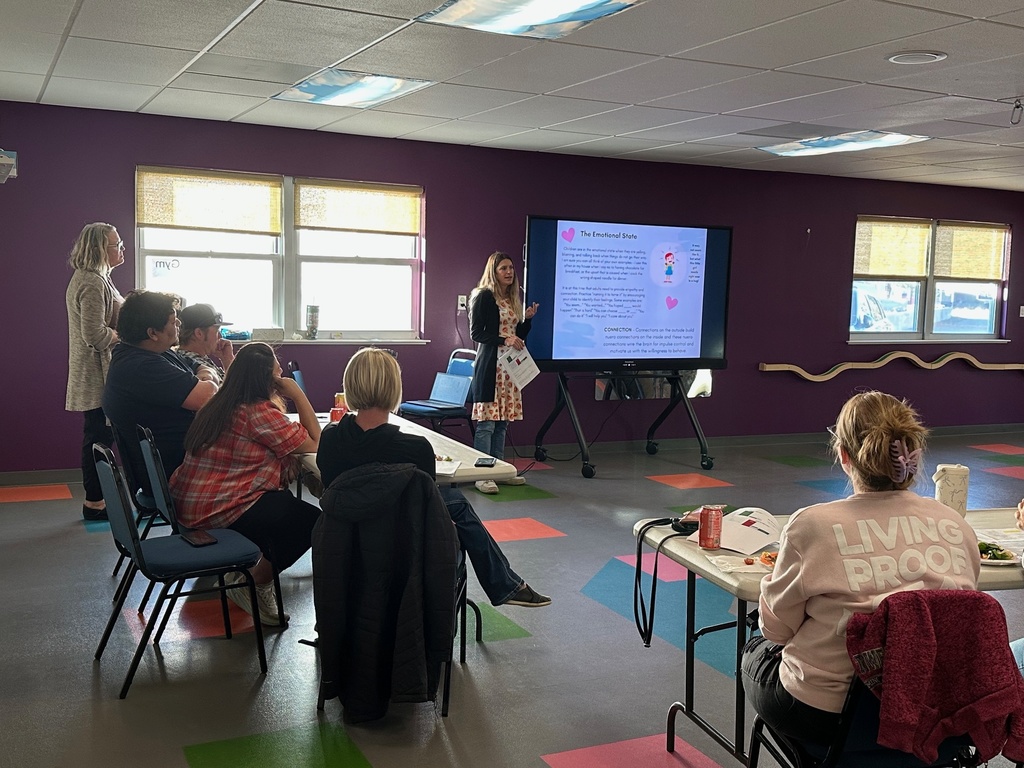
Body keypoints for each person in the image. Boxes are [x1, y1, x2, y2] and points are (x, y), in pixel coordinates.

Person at [742, 391, 980, 746]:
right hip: (936, 714)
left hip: (826, 714)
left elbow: (777, 631)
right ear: (913, 454)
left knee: (756, 640)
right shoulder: (955, 524)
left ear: (843, 455)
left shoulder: (811, 526)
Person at [317, 347, 550, 608]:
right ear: (395, 388)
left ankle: (507, 585)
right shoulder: (415, 448)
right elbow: (426, 509)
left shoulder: (329, 440)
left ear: (349, 386)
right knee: (456, 502)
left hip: (343, 540)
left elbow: (330, 490)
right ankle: (505, 585)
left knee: (453, 501)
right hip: (403, 541)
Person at [170, 342, 321, 626]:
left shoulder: (221, 402)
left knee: (286, 507)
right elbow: (314, 442)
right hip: (214, 510)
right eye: (278, 373)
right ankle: (253, 583)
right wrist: (298, 394)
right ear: (267, 380)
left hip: (191, 502)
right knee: (311, 522)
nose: (281, 377)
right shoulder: (256, 412)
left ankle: (246, 570)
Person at [102, 290, 218, 483]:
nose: (179, 324)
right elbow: (207, 396)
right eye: (173, 322)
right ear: (153, 333)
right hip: (179, 474)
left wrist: (205, 376)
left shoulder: (153, 352)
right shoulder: (141, 367)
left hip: (182, 461)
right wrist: (206, 379)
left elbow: (201, 367)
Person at [66, 223, 125, 521]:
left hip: (101, 373)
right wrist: (123, 335)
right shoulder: (91, 282)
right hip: (94, 375)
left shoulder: (101, 279)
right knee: (97, 439)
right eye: (116, 244)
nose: (121, 249)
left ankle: (98, 499)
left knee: (100, 437)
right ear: (99, 249)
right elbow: (94, 334)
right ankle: (94, 503)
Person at [468, 251, 539, 494]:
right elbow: (477, 334)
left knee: (502, 424)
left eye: (511, 268)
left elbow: (515, 335)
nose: (509, 272)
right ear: (494, 272)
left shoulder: (511, 298)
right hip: (490, 368)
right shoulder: (484, 297)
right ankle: (483, 474)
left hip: (509, 369)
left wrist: (526, 321)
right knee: (486, 423)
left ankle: (500, 470)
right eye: (504, 269)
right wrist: (505, 339)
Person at [175, 303, 235, 384]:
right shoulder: (193, 364)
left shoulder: (199, 358)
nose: (220, 336)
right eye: (216, 331)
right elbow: (232, 394)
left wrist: (227, 359)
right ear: (199, 333)